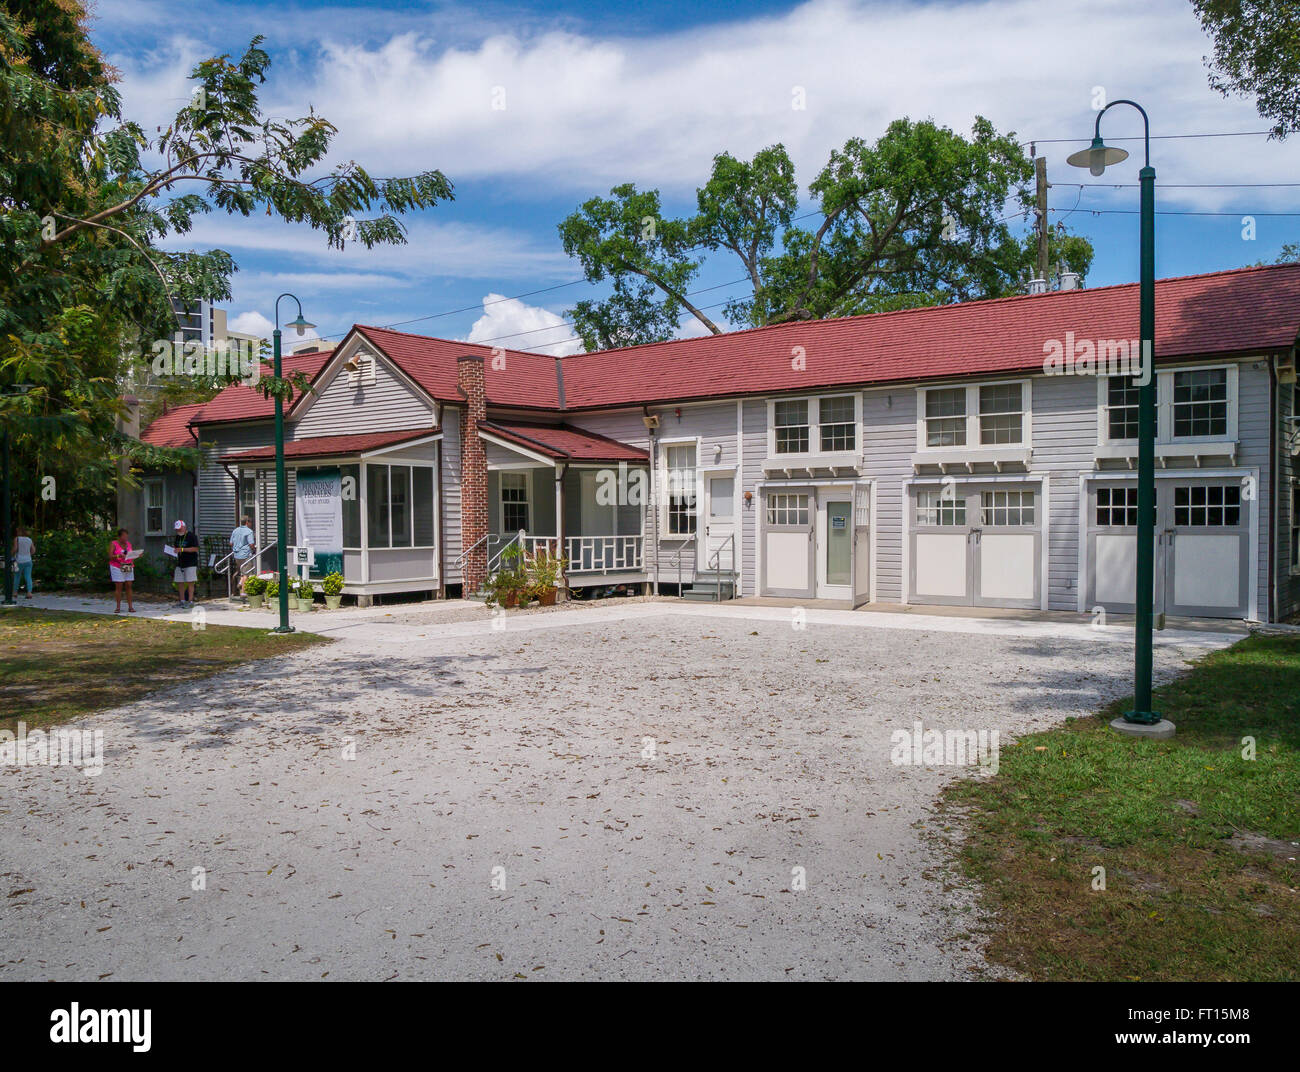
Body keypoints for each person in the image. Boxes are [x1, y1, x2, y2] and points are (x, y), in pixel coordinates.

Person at [171, 519, 199, 608]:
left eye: (179, 529)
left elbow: (195, 549)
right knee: (180, 582)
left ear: (184, 527)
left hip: (190, 562)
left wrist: (182, 549)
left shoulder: (191, 536)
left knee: (190, 582)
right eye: (176, 529)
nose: (178, 531)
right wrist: (174, 549)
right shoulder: (178, 536)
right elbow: (176, 546)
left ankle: (190, 601)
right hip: (180, 562)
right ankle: (182, 600)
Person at [109, 527, 136, 613]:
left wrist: (135, 556)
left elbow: (131, 554)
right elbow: (110, 556)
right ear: (119, 537)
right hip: (117, 566)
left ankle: (130, 606)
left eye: (126, 536)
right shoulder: (114, 544)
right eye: (124, 536)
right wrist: (118, 556)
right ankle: (118, 607)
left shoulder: (129, 544)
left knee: (129, 585)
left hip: (128, 565)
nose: (125, 538)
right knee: (119, 586)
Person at [229, 516, 256, 597]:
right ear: (247, 522)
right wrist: (254, 549)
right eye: (250, 522)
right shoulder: (249, 531)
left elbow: (231, 543)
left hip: (237, 555)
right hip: (245, 554)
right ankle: (243, 592)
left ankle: (240, 583)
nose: (251, 524)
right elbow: (251, 544)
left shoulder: (235, 530)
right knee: (246, 574)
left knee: (242, 571)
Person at [12, 527, 34, 599]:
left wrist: (10, 553)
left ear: (19, 532)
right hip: (28, 560)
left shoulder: (17, 539)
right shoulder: (29, 539)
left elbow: (15, 549)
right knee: (28, 577)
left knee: (17, 576)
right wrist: (28, 555)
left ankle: (15, 592)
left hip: (18, 561)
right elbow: (33, 550)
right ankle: (29, 592)